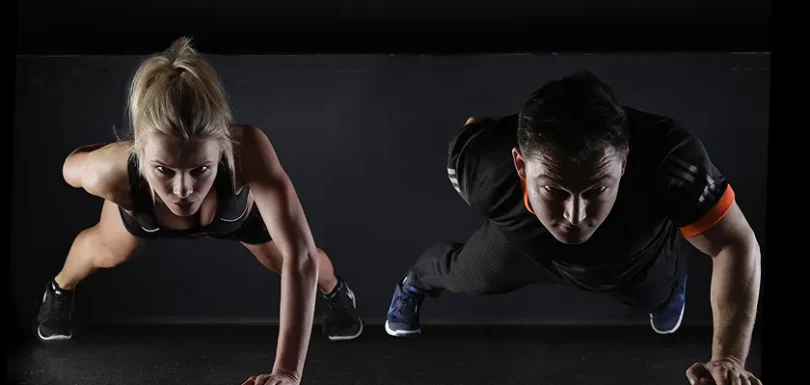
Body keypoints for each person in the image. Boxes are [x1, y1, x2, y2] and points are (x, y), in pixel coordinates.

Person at [385, 71, 763, 385]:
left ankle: (668, 289)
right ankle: (414, 282)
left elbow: (734, 243)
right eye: (554, 189)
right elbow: (474, 130)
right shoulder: (482, 167)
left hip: (630, 257)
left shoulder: (670, 158)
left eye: (596, 188)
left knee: (656, 295)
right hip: (523, 245)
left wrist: (729, 358)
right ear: (520, 165)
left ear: (625, 160)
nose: (575, 216)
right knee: (460, 275)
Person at [33, 37, 363, 385]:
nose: (183, 190)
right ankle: (59, 290)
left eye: (200, 169)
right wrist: (118, 157)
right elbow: (71, 166)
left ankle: (335, 293)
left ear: (222, 149)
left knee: (284, 260)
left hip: (232, 218)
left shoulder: (247, 150)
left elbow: (301, 254)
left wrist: (287, 372)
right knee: (108, 250)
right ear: (140, 151)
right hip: (144, 210)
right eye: (164, 169)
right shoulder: (108, 171)